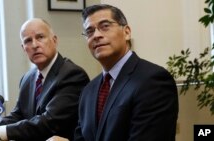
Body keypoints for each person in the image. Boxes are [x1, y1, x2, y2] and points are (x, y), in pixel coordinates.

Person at [48, 4, 179, 141]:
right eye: (89, 31)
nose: (96, 35)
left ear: (126, 32)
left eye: (105, 26)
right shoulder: (88, 91)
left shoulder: (153, 81)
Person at [0, 18, 90, 141]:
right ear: (23, 48)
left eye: (40, 37)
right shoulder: (28, 78)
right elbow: (18, 115)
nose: (34, 45)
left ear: (54, 40)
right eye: (28, 41)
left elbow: (49, 122)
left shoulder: (72, 74)